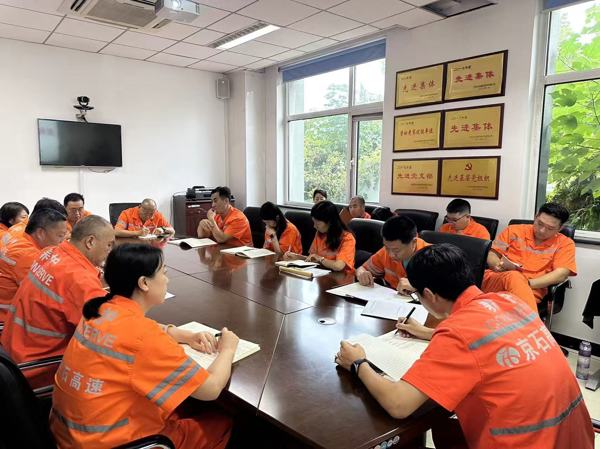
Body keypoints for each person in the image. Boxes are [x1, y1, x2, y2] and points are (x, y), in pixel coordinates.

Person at [336, 244, 593, 449]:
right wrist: (428, 333)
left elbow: (399, 404)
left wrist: (358, 362)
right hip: (574, 438)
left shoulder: (459, 331)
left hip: (524, 442)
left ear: (429, 295)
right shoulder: (509, 302)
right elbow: (489, 340)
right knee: (445, 428)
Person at [50, 244, 239, 449]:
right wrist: (228, 348)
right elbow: (211, 389)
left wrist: (182, 335)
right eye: (164, 273)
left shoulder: (99, 309)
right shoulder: (144, 338)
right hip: (116, 442)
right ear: (144, 283)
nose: (167, 279)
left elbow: (133, 331)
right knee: (223, 422)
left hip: (70, 433)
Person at [1, 216, 114, 385]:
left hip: (11, 353)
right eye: (109, 244)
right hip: (37, 371)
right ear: (90, 242)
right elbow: (109, 333)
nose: (110, 250)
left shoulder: (49, 253)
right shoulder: (79, 280)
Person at [482, 202, 576, 312]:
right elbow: (492, 253)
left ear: (560, 228)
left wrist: (526, 284)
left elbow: (561, 274)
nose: (542, 230)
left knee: (507, 309)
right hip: (498, 280)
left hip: (531, 288)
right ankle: (533, 322)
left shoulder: (565, 243)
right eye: (540, 223)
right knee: (513, 276)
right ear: (535, 217)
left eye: (550, 228)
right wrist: (496, 265)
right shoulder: (513, 230)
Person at [0, 208, 67, 321]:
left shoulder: (21, 240)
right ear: (40, 233)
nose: (62, 241)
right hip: (7, 318)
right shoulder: (28, 256)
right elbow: (47, 294)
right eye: (60, 236)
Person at [356, 216, 428, 295]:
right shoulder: (386, 251)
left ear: (413, 242)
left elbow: (438, 294)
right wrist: (362, 273)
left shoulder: (431, 257)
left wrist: (417, 288)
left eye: (396, 250)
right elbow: (362, 269)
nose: (391, 255)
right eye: (386, 248)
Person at [284, 201, 355, 273]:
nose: (314, 226)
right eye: (314, 222)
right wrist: (297, 257)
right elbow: (313, 258)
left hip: (342, 277)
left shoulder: (347, 238)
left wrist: (320, 259)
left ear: (330, 222)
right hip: (322, 273)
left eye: (317, 223)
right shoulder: (320, 233)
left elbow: (338, 266)